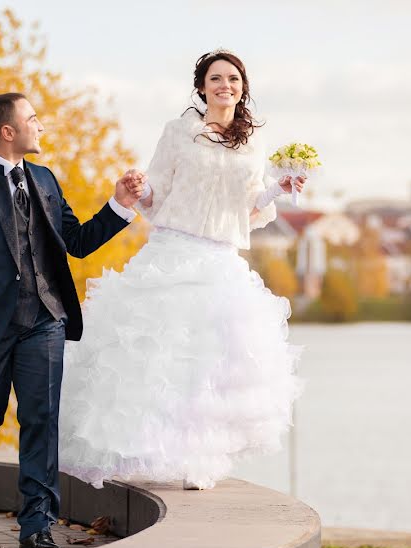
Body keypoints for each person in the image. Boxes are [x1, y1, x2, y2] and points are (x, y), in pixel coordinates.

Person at [59, 50, 304, 491]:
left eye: (233, 78)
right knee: (156, 360)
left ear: (243, 86)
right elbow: (158, 190)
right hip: (173, 252)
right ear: (201, 86)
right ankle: (142, 452)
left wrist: (276, 189)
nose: (224, 85)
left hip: (221, 260)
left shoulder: (253, 144)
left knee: (208, 366)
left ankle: (198, 461)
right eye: (216, 78)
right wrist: (140, 187)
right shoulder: (178, 132)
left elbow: (247, 205)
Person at [0, 92, 142, 548]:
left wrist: (120, 204)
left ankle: (37, 525)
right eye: (32, 119)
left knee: (41, 421)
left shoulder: (46, 180)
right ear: (7, 132)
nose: (40, 126)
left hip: (45, 320)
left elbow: (77, 241)